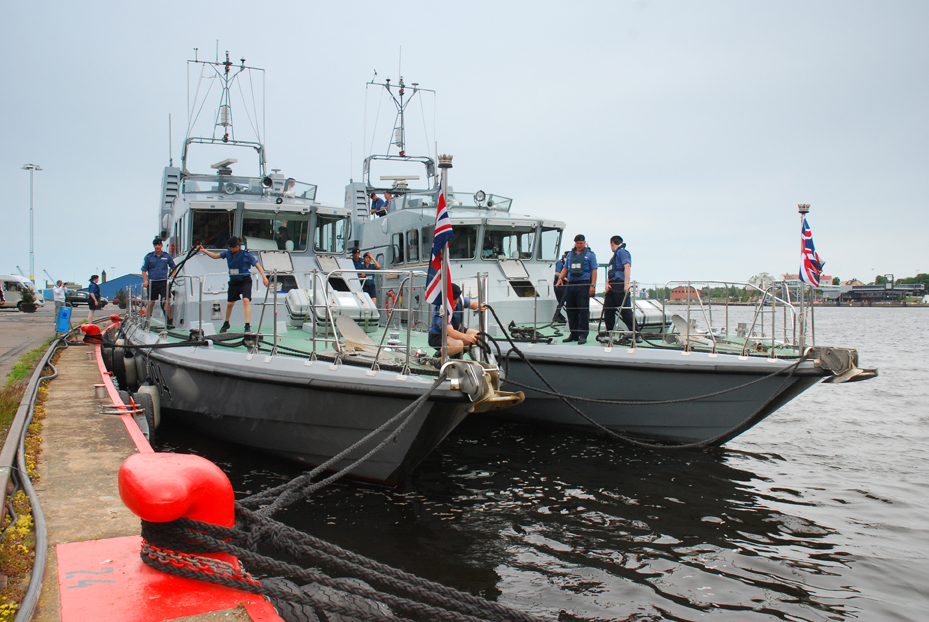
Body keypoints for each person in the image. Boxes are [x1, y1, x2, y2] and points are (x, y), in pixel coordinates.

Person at [197, 236, 270, 333]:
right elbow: (215, 256)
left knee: (245, 301)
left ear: (236, 247)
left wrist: (264, 277)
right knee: (229, 304)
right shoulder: (228, 253)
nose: (229, 249)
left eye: (230, 247)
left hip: (245, 280)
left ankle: (247, 325)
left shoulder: (246, 254)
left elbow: (257, 265)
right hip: (234, 281)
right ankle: (226, 323)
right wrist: (203, 250)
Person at [556, 234, 597, 344]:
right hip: (571, 283)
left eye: (581, 243)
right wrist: (560, 279)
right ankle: (574, 333)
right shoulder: (570, 255)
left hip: (583, 284)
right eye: (577, 243)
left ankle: (583, 334)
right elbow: (565, 268)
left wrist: (593, 285)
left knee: (583, 310)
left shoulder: (590, 255)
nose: (579, 245)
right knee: (570, 309)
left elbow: (594, 270)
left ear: (584, 243)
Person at [428, 283, 487, 357]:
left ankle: (456, 356)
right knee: (458, 345)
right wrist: (467, 337)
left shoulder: (459, 301)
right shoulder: (440, 310)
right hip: (438, 336)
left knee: (480, 337)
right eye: (454, 299)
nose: (457, 301)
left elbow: (472, 304)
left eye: (458, 298)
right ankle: (438, 357)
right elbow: (450, 332)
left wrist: (479, 306)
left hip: (456, 330)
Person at [602, 235, 636, 340]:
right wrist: (607, 284)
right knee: (608, 310)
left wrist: (626, 284)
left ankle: (636, 333)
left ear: (612, 243)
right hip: (612, 286)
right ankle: (609, 332)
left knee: (625, 312)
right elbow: (611, 272)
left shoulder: (622, 252)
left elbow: (627, 266)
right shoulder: (614, 257)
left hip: (619, 285)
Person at [142, 237, 177, 329]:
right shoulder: (149, 257)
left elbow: (174, 267)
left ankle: (168, 321)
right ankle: (147, 321)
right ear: (154, 246)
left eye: (159, 245)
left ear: (161, 245)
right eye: (156, 245)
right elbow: (144, 270)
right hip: (152, 283)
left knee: (166, 301)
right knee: (151, 302)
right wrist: (145, 281)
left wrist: (171, 277)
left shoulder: (167, 256)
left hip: (163, 282)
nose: (157, 247)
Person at [551, 250, 569, 324]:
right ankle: (557, 315)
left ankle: (558, 315)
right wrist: (564, 278)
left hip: (566, 282)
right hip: (560, 283)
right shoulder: (560, 262)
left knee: (564, 300)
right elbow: (557, 273)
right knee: (561, 300)